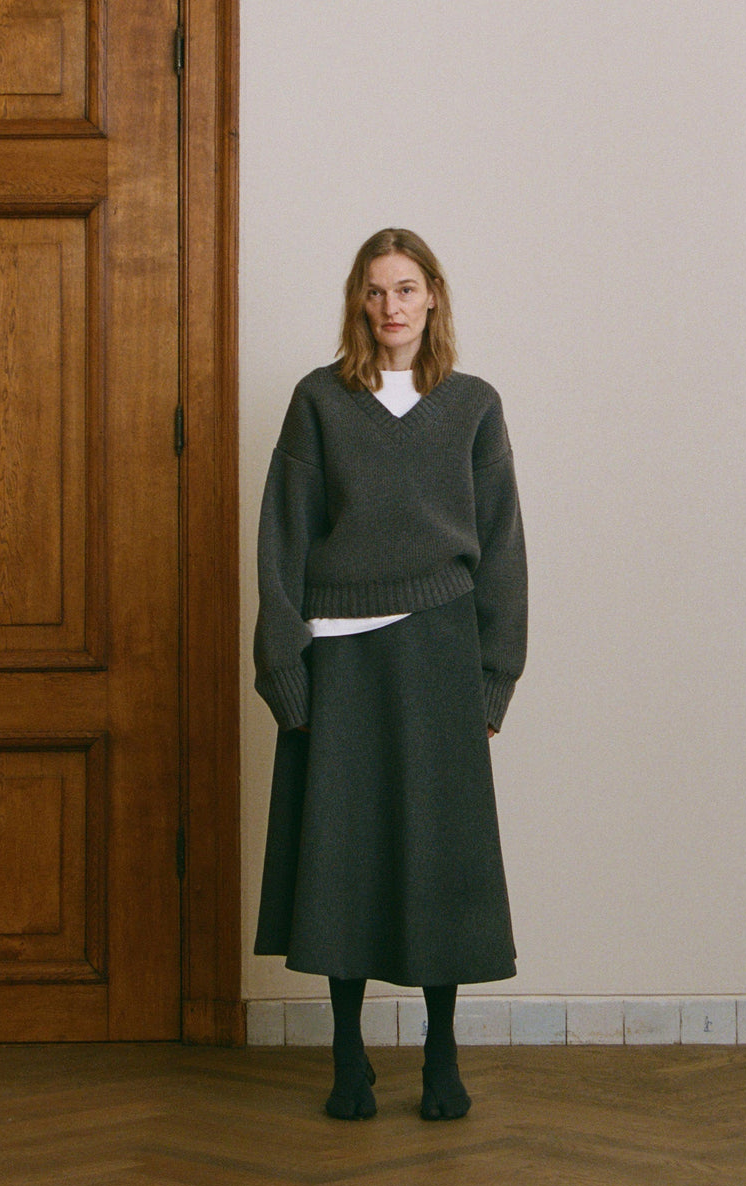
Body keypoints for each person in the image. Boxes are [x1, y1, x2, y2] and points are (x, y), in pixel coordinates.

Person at [253, 228, 527, 1121]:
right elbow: (282, 541)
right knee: (341, 851)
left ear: (433, 296)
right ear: (358, 303)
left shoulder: (474, 405)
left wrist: (494, 677)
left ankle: (442, 1056)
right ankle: (346, 1055)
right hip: (340, 654)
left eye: (406, 288)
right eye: (376, 291)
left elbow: (504, 550)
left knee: (436, 853)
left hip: (440, 654)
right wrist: (285, 666)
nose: (392, 306)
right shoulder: (318, 402)